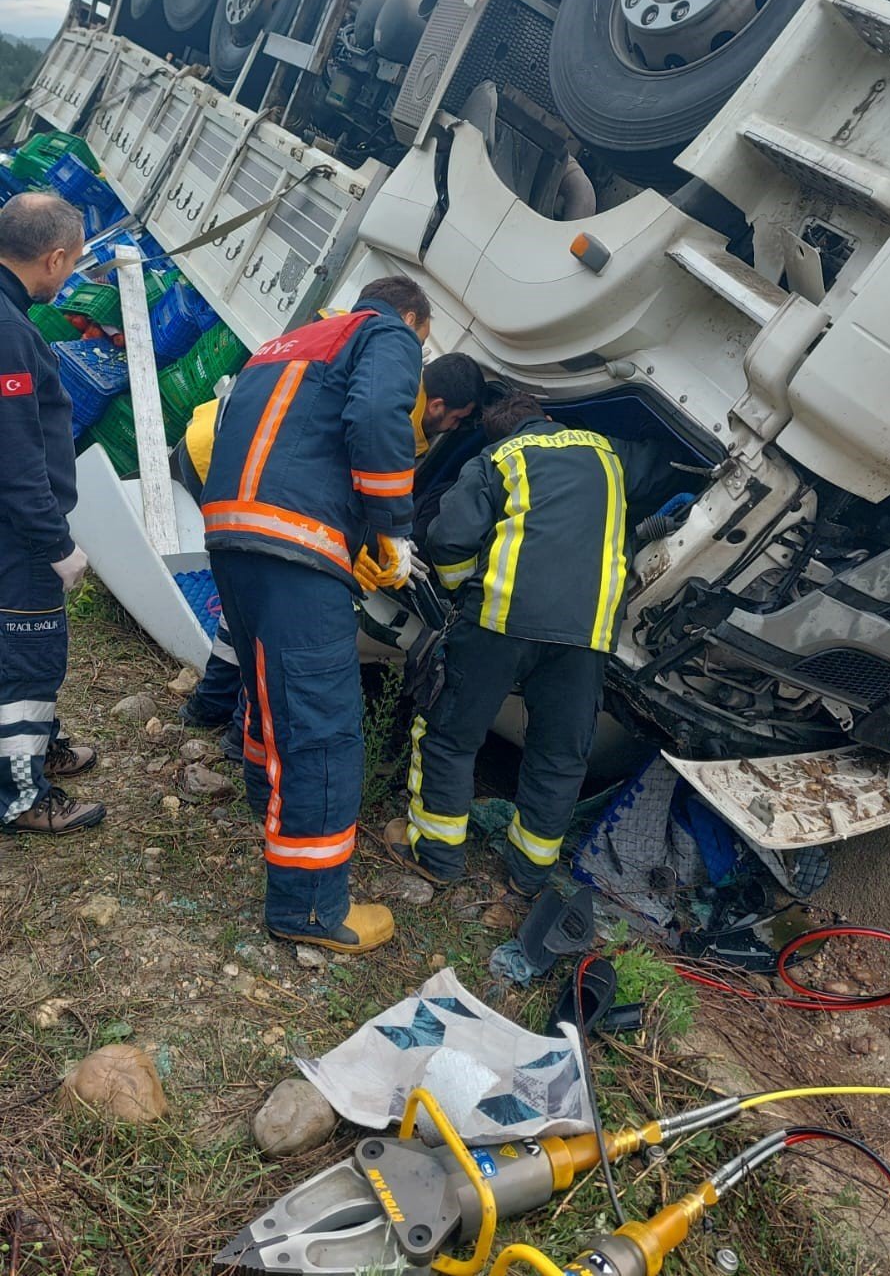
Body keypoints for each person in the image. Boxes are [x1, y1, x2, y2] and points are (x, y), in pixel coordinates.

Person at [203, 274, 432, 954]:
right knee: (324, 730)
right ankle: (309, 907)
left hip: (232, 534)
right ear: (414, 317)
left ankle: (265, 808)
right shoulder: (386, 332)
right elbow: (374, 417)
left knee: (267, 694)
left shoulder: (285, 342)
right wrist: (391, 528)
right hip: (297, 547)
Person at [384, 391, 665, 896]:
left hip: (500, 619)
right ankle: (529, 874)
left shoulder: (494, 459)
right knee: (559, 756)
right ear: (549, 417)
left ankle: (437, 855)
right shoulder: (607, 452)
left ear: (501, 432)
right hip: (587, 633)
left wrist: (462, 588)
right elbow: (665, 464)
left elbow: (448, 540)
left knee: (450, 733)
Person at [178, 351, 487, 756]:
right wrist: (368, 550)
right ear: (438, 405)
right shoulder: (392, 419)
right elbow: (334, 484)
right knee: (278, 617)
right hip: (234, 468)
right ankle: (243, 739)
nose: (454, 428)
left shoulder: (396, 390)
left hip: (228, 452)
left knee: (249, 602)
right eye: (457, 419)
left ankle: (210, 705)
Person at [0, 193, 105, 835]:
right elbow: (15, 456)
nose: (70, 278)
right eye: (72, 266)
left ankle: (42, 742)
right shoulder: (11, 335)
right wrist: (54, 543)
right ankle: (21, 794)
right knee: (30, 657)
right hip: (17, 537)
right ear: (54, 258)